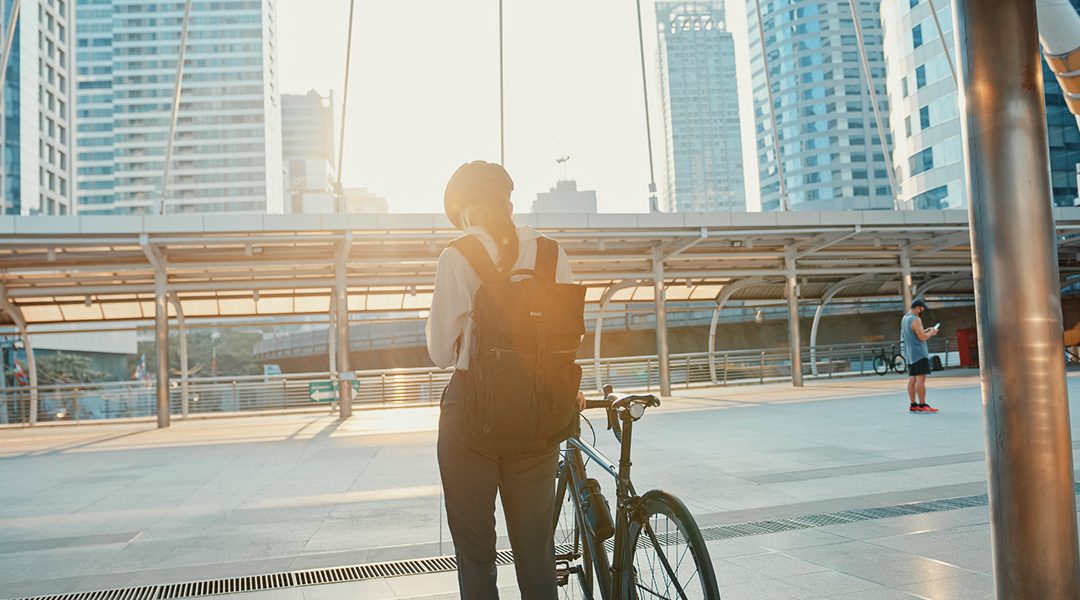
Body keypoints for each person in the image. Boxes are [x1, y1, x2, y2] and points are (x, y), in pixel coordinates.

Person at [427, 160, 581, 599]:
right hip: (538, 417)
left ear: (464, 211)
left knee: (477, 559)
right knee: (537, 553)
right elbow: (567, 336)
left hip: (471, 422)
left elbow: (439, 353)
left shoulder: (457, 255)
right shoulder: (551, 253)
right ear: (508, 203)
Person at [901, 298, 939, 413]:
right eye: (922, 309)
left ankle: (913, 404)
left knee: (912, 379)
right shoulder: (916, 319)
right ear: (918, 308)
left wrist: (925, 331)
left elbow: (912, 334)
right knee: (920, 380)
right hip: (919, 354)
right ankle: (922, 405)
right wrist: (931, 333)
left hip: (910, 354)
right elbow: (922, 337)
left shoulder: (905, 318)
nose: (922, 312)